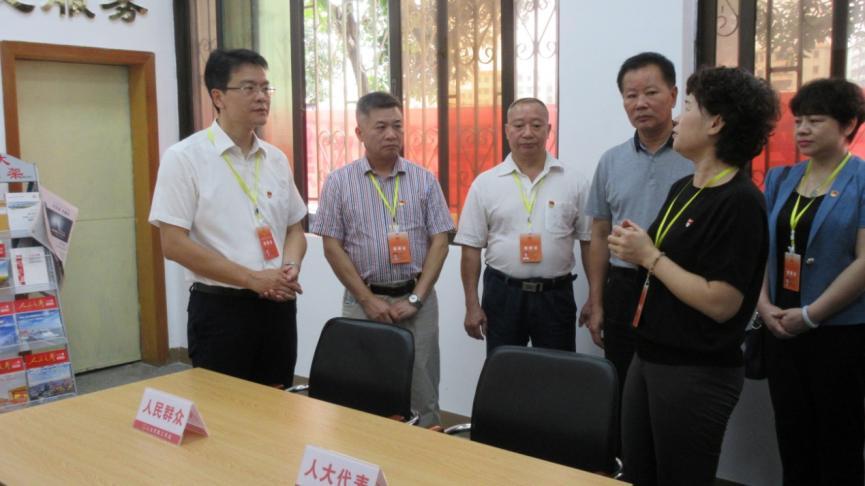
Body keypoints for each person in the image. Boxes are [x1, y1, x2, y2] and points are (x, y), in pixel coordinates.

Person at [608, 66, 776, 485]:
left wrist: (649, 256)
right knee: (638, 472)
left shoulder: (740, 201)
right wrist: (638, 246)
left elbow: (721, 303)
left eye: (687, 107)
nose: (678, 119)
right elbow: (670, 258)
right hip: (649, 355)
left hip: (695, 370)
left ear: (716, 123)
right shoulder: (684, 187)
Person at [149, 48, 307, 388]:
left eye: (265, 88)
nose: (262, 97)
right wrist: (251, 278)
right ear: (218, 97)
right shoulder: (184, 158)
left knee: (277, 403)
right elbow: (173, 244)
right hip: (221, 310)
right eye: (249, 88)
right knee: (223, 409)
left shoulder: (276, 159)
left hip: (277, 308)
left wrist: (290, 267)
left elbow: (295, 229)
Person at [311, 91, 454, 427]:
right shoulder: (339, 183)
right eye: (381, 127)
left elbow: (440, 242)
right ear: (360, 132)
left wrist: (416, 298)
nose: (391, 134)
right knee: (363, 384)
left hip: (417, 300)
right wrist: (367, 300)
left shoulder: (424, 179)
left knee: (422, 386)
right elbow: (332, 247)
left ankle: (426, 453)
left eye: (397, 126)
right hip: (363, 301)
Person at [757, 78, 865, 485]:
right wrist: (763, 305)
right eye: (799, 120)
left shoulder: (861, 180)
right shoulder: (780, 179)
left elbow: (864, 262)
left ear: (848, 124)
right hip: (780, 328)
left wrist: (811, 315)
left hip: (838, 332)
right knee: (792, 436)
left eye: (815, 121)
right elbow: (761, 250)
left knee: (840, 442)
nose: (802, 129)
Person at [584, 52, 693, 397]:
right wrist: (596, 300)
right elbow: (599, 234)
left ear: (673, 95)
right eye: (631, 95)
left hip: (679, 286)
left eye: (651, 92)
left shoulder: (697, 157)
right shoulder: (611, 160)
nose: (640, 103)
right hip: (624, 286)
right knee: (622, 382)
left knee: (671, 388)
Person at [455, 97, 591, 354]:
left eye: (536, 125)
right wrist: (472, 305)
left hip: (555, 296)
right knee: (505, 369)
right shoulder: (485, 184)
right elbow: (471, 248)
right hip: (503, 295)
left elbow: (589, 241)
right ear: (507, 131)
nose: (528, 133)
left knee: (559, 369)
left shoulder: (574, 182)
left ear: (548, 130)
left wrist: (595, 297)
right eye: (519, 126)